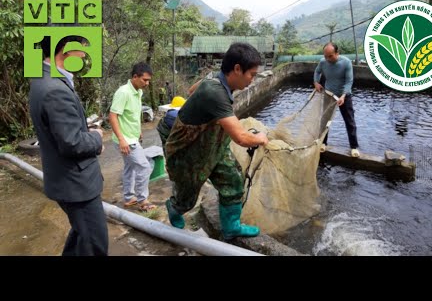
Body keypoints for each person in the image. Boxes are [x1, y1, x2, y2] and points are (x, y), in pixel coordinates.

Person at [165, 42, 269, 239]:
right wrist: (260, 137)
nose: (253, 80)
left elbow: (191, 91)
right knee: (187, 199)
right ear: (237, 69)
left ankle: (232, 227)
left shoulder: (215, 80)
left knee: (233, 179)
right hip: (189, 152)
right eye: (251, 75)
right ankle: (174, 207)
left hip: (214, 146)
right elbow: (241, 137)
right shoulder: (215, 93)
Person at [29, 36, 108, 256]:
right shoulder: (55, 89)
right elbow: (71, 142)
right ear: (65, 49)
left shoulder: (43, 77)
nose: (84, 54)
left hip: (67, 180)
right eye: (82, 47)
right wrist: (97, 137)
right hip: (76, 184)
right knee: (95, 245)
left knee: (81, 237)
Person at [109, 62, 158, 212]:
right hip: (126, 140)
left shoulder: (138, 92)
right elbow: (113, 116)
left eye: (149, 80)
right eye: (145, 80)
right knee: (144, 167)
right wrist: (122, 139)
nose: (147, 83)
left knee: (130, 168)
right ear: (135, 76)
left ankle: (129, 197)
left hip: (132, 137)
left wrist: (139, 130)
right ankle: (143, 200)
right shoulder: (123, 92)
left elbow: (134, 113)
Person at [314, 42, 360, 158]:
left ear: (337, 53)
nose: (328, 59)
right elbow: (317, 71)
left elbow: (349, 81)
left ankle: (354, 147)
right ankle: (323, 142)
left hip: (344, 96)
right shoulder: (323, 62)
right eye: (325, 56)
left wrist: (344, 95)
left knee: (349, 121)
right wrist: (316, 82)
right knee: (325, 120)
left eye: (330, 56)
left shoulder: (346, 63)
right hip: (329, 94)